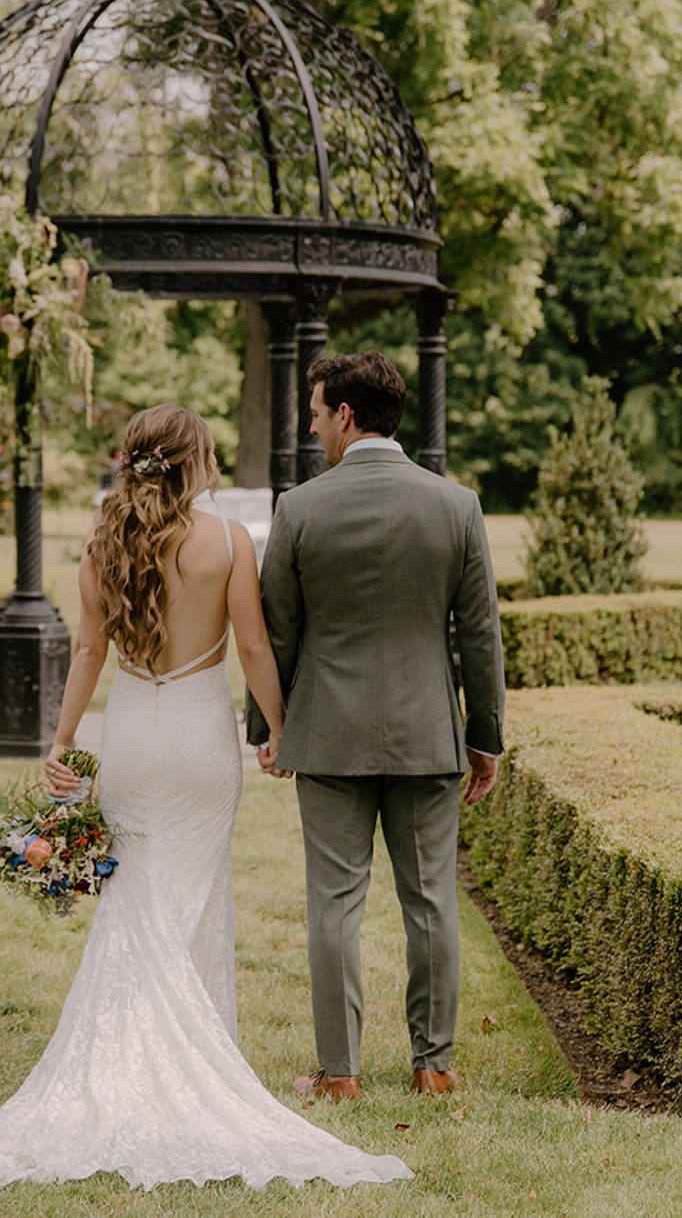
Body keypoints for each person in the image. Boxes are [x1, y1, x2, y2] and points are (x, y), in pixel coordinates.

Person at [0, 403, 412, 1191]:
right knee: (195, 900)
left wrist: (62, 739)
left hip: (135, 737)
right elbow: (250, 645)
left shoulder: (103, 545)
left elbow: (91, 649)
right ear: (194, 461)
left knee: (136, 897)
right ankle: (195, 1054)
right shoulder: (230, 541)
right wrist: (281, 731)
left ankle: (137, 1060)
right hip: (203, 746)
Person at [246, 351, 506, 1102]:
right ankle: (432, 1065)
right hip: (428, 734)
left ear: (348, 416)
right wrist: (483, 737)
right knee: (431, 899)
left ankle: (341, 1074)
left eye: (320, 412)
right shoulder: (457, 506)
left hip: (328, 736)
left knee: (333, 902)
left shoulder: (299, 508)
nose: (316, 426)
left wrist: (269, 726)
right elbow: (480, 637)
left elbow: (276, 632)